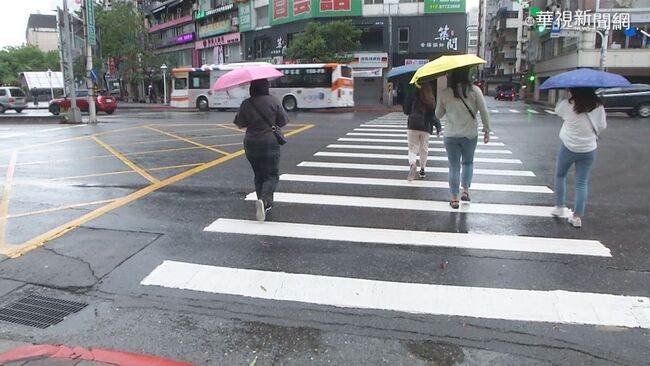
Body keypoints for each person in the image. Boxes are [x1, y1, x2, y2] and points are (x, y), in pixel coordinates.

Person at [435, 67, 491, 209]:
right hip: (470, 134)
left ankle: (454, 199)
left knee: (454, 166)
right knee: (468, 163)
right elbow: (484, 111)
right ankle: (465, 191)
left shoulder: (444, 93)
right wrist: (486, 129)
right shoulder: (475, 91)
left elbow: (438, 115)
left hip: (451, 135)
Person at [234, 79, 289, 222]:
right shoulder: (273, 101)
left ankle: (262, 202)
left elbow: (240, 123)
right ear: (266, 87)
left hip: (251, 143)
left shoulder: (246, 103)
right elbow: (283, 121)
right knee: (271, 175)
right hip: (269, 142)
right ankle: (264, 202)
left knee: (259, 175)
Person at [551, 88, 606, 228]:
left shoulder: (568, 104)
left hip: (568, 147)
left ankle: (559, 207)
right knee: (581, 183)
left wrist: (563, 95)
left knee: (560, 176)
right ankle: (576, 217)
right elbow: (602, 126)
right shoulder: (598, 106)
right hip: (588, 149)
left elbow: (557, 111)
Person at [403, 82, 441, 181]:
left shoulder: (412, 92)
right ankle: (423, 169)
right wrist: (438, 126)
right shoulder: (429, 95)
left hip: (413, 124)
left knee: (412, 148)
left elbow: (406, 110)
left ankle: (412, 164)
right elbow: (433, 115)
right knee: (424, 149)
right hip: (425, 126)